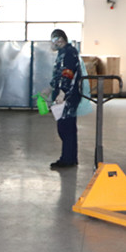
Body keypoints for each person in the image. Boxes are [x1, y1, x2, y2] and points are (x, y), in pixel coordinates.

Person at [48, 28, 82, 169]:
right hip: (68, 95)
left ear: (59, 40)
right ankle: (71, 158)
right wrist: (49, 89)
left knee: (65, 128)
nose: (51, 44)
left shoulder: (68, 53)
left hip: (68, 96)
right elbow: (58, 75)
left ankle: (67, 159)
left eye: (52, 41)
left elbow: (67, 74)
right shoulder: (65, 52)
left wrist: (62, 93)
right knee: (69, 127)